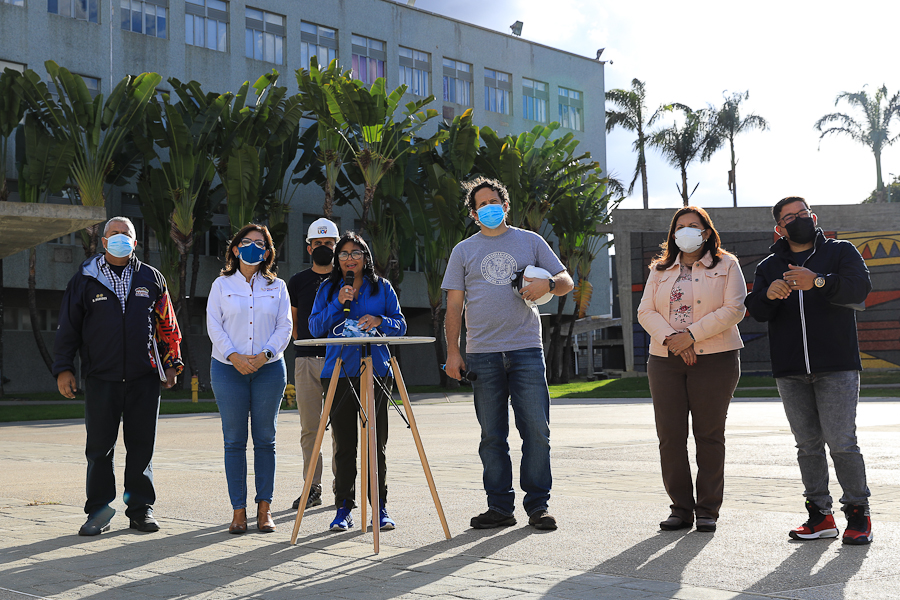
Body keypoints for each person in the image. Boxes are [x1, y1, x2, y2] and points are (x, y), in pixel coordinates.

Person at [442, 177, 573, 532]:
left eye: (494, 200)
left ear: (505, 204)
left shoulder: (531, 242)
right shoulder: (463, 251)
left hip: (526, 350)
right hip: (482, 354)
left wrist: (549, 284)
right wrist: (453, 352)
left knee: (536, 431)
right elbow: (454, 306)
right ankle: (499, 507)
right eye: (481, 204)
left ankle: (538, 507)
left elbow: (565, 281)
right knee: (491, 436)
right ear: (473, 213)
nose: (489, 207)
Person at [745, 197, 874, 545]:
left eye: (803, 213)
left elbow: (860, 289)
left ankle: (858, 514)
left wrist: (817, 281)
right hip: (790, 370)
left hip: (837, 366)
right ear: (779, 228)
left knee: (842, 442)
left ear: (813, 217)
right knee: (807, 446)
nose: (798, 219)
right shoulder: (770, 265)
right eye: (790, 217)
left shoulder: (840, 252)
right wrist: (769, 294)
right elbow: (756, 309)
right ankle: (820, 516)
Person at [53, 216, 182, 536]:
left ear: (135, 243)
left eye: (126, 234)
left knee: (141, 447)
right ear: (103, 241)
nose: (120, 238)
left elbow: (168, 326)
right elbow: (68, 328)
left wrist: (172, 364)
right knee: (99, 450)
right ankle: (98, 511)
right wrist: (64, 368)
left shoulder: (151, 278)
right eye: (114, 234)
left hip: (145, 378)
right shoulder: (85, 278)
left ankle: (141, 509)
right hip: (101, 377)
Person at [637, 206, 745, 533]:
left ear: (707, 232)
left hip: (715, 358)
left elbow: (734, 308)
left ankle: (708, 510)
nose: (686, 231)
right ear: (672, 234)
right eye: (680, 226)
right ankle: (680, 509)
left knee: (709, 435)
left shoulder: (727, 264)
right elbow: (645, 311)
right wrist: (673, 340)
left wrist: (691, 336)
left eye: (694, 226)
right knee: (670, 437)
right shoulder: (660, 269)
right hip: (665, 358)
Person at [308, 232, 406, 532]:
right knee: (344, 445)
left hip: (375, 370)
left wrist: (380, 322)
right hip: (338, 371)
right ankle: (343, 509)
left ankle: (380, 508)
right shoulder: (328, 288)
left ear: (367, 257)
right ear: (337, 260)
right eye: (344, 254)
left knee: (376, 444)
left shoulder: (382, 287)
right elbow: (314, 328)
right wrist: (338, 302)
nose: (350, 258)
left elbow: (400, 325)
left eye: (356, 252)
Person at [207, 224, 292, 534]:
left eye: (261, 243)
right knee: (233, 442)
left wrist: (263, 356)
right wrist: (235, 357)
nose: (254, 247)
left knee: (266, 440)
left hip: (268, 370)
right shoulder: (221, 285)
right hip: (228, 370)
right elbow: (214, 327)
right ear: (235, 248)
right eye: (247, 242)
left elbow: (285, 327)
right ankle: (239, 511)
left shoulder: (278, 286)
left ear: (268, 252)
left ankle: (264, 509)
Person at [287, 218, 339, 511]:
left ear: (337, 246)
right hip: (306, 359)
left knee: (342, 428)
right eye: (318, 244)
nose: (323, 248)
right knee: (310, 428)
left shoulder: (346, 279)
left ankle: (341, 485)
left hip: (339, 361)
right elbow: (295, 324)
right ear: (309, 248)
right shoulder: (297, 281)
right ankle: (312, 487)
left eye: (329, 244)